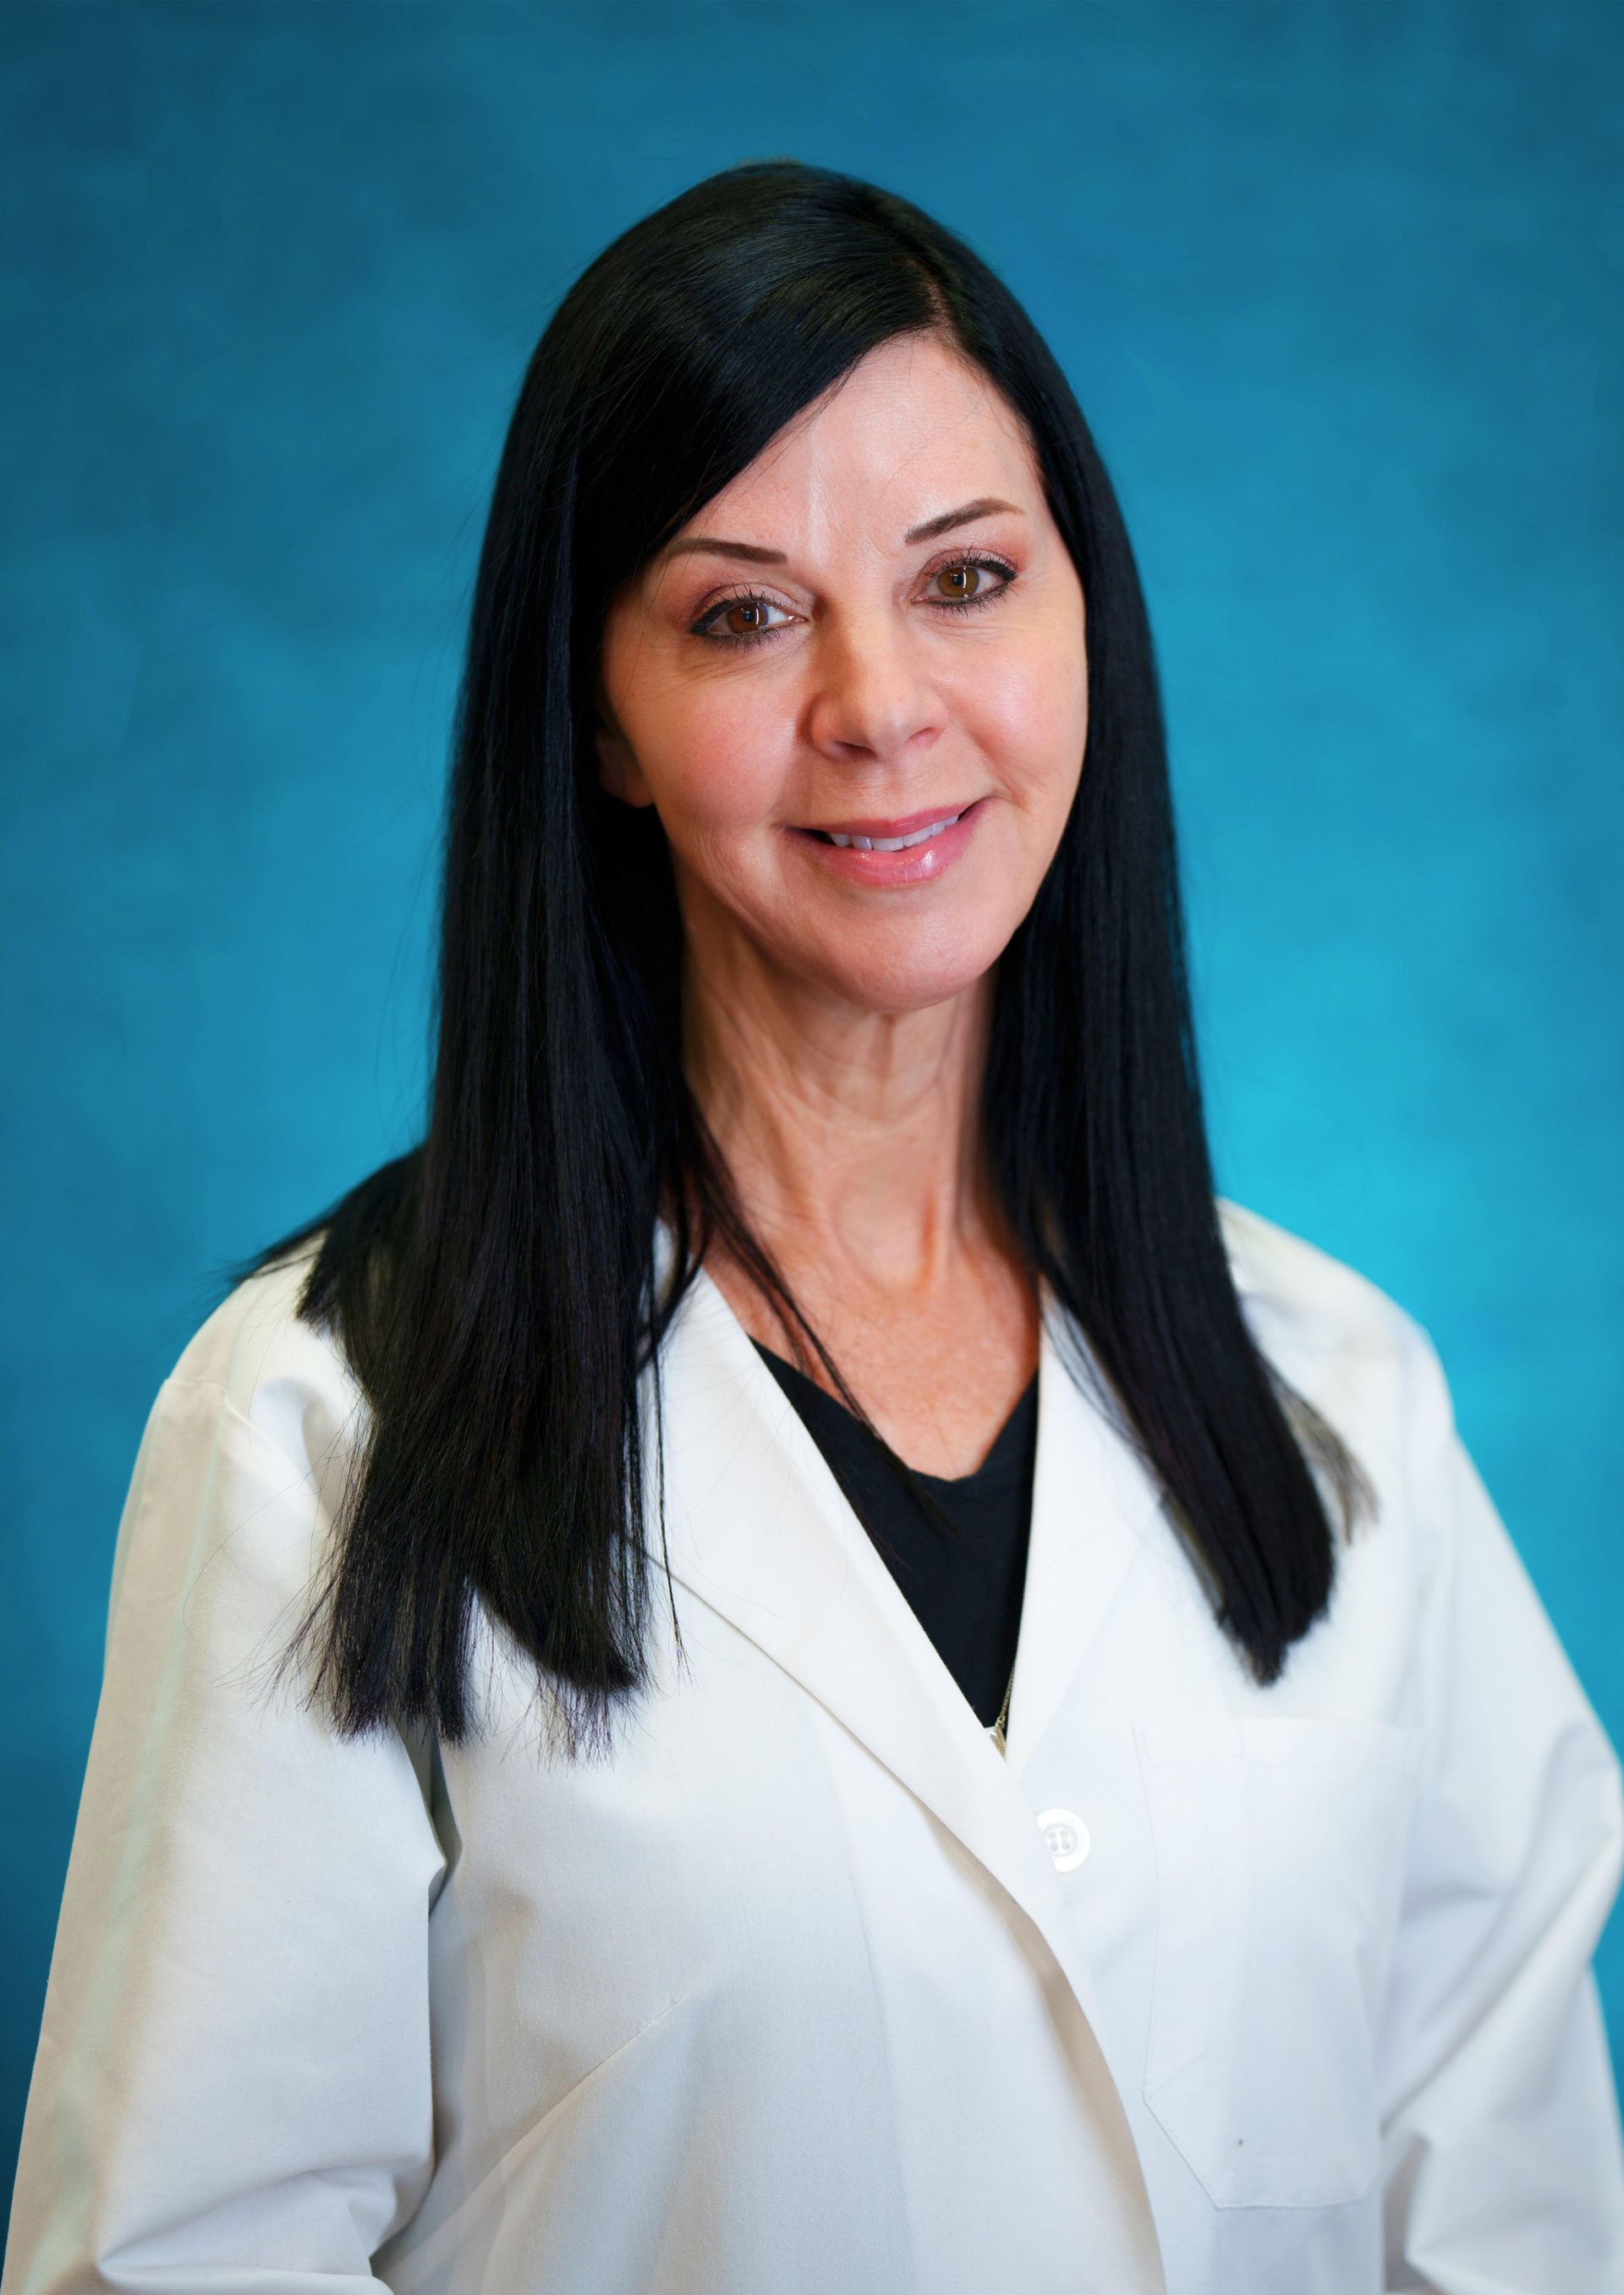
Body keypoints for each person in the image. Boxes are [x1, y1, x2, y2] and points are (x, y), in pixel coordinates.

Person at [6, 160, 1622, 2295]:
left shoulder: (1343, 1401)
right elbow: (179, 2263)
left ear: (1085, 624)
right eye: (743, 612)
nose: (879, 702)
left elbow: (1517, 2236)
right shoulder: (324, 1425)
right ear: (598, 715)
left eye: (967, 579)